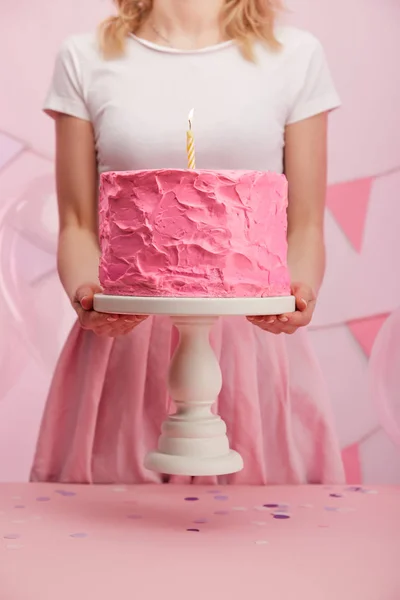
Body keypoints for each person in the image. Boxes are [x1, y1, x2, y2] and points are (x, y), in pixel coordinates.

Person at [31, 0, 345, 485]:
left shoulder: (295, 56)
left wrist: (297, 292)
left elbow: (304, 224)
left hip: (248, 335)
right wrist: (89, 295)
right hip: (122, 337)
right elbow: (76, 222)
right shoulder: (85, 57)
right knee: (112, 537)